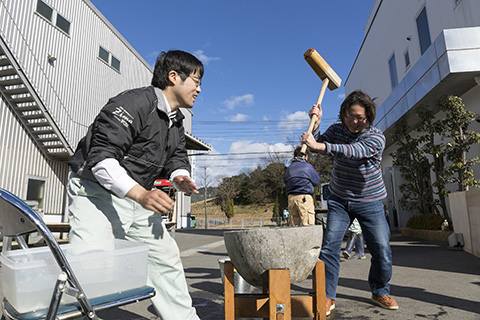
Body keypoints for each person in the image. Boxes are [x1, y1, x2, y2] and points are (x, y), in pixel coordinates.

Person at [67, 50, 202, 320]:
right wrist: (141, 194)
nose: (200, 89)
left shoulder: (176, 120)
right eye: (196, 81)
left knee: (165, 259)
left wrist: (178, 175)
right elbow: (101, 159)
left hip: (138, 197)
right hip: (96, 191)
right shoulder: (133, 103)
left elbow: (176, 155)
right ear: (174, 77)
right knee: (91, 264)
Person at [302, 90, 398, 316]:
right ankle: (327, 296)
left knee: (381, 249)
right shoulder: (337, 129)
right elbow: (318, 145)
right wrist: (314, 127)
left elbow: (353, 151)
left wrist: (320, 146)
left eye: (360, 118)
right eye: (351, 116)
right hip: (339, 199)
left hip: (370, 201)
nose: (355, 122)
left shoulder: (376, 137)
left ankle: (379, 290)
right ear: (343, 113)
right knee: (330, 247)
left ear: (368, 118)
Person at [285, 146, 320, 226]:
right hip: (304, 197)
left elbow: (286, 181)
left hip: (291, 199)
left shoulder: (289, 169)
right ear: (305, 155)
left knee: (293, 226)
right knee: (307, 225)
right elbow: (316, 182)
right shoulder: (308, 167)